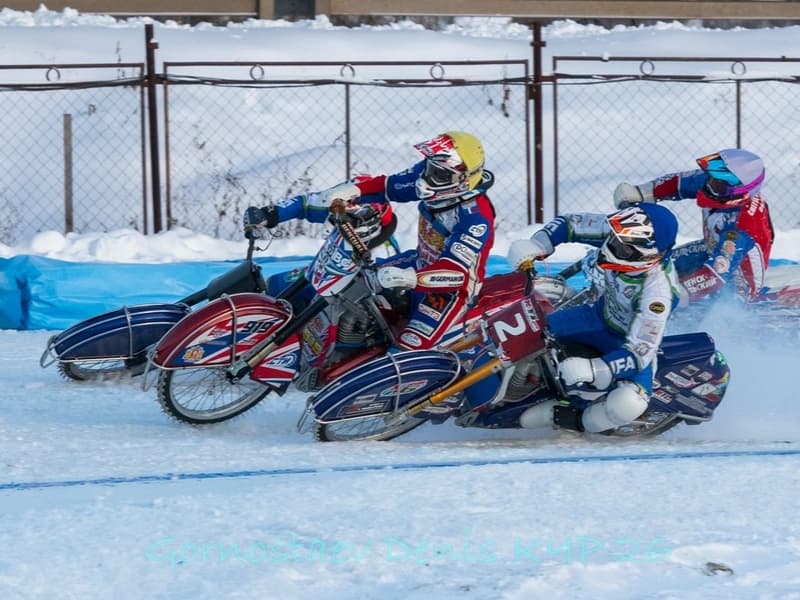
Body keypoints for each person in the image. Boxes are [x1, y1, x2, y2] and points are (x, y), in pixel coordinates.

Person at [244, 130, 496, 350]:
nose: (426, 177)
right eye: (428, 166)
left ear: (462, 179)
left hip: (447, 291)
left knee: (406, 352)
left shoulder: (475, 219)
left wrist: (411, 278)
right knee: (353, 286)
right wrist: (355, 190)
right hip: (418, 263)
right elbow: (389, 186)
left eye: (438, 174)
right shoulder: (429, 178)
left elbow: (457, 273)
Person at [506, 204, 681, 433]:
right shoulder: (622, 234)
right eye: (614, 239)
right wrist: (538, 243)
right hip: (597, 316)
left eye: (624, 249)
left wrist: (596, 369)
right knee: (529, 326)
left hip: (626, 343)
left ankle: (574, 419)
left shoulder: (657, 294)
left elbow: (641, 351)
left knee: (629, 403)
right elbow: (571, 223)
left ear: (649, 255)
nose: (611, 247)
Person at [613, 148, 773, 304]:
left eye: (717, 184)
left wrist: (672, 295)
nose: (709, 185)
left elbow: (715, 275)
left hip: (737, 277)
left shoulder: (741, 225)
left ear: (738, 193)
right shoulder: (716, 184)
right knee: (658, 265)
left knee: (719, 309)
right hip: (711, 249)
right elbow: (679, 182)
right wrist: (641, 192)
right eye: (710, 178)